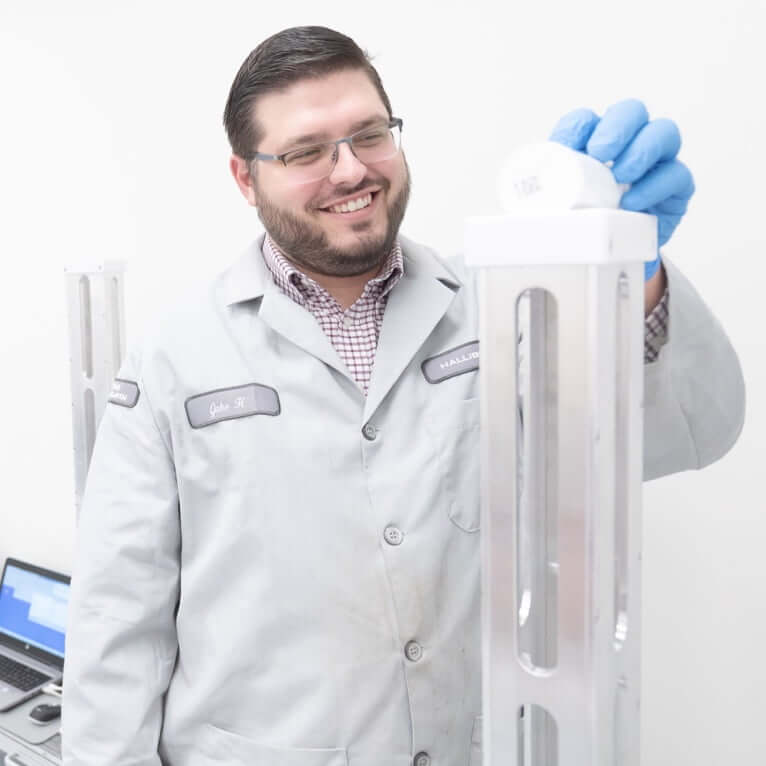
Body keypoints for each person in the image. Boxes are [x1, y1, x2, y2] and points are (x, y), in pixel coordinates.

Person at [62, 25, 745, 766]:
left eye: (369, 134)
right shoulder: (174, 357)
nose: (350, 169)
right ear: (244, 176)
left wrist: (630, 275)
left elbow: (683, 434)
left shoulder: (506, 304)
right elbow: (117, 626)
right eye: (305, 151)